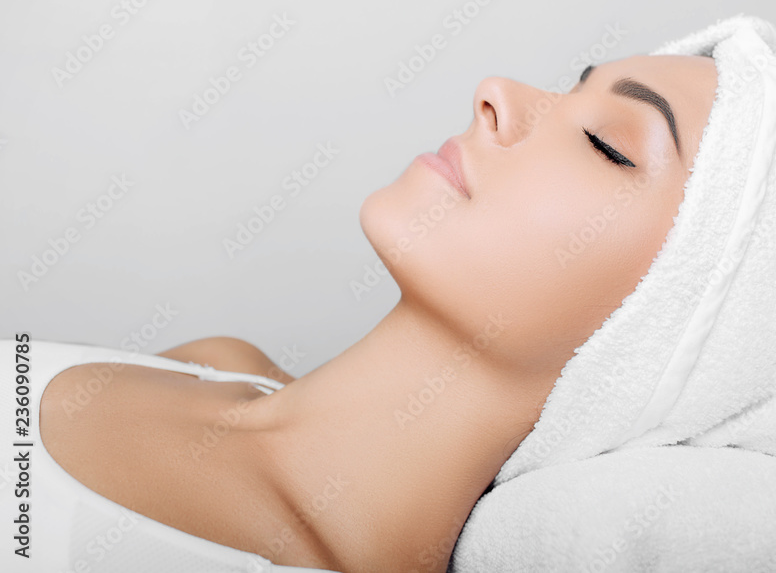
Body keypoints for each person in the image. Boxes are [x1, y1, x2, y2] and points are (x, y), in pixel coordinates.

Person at [31, 52, 719, 572]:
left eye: (609, 144)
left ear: (669, 331)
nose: (499, 93)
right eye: (573, 84)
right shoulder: (218, 361)